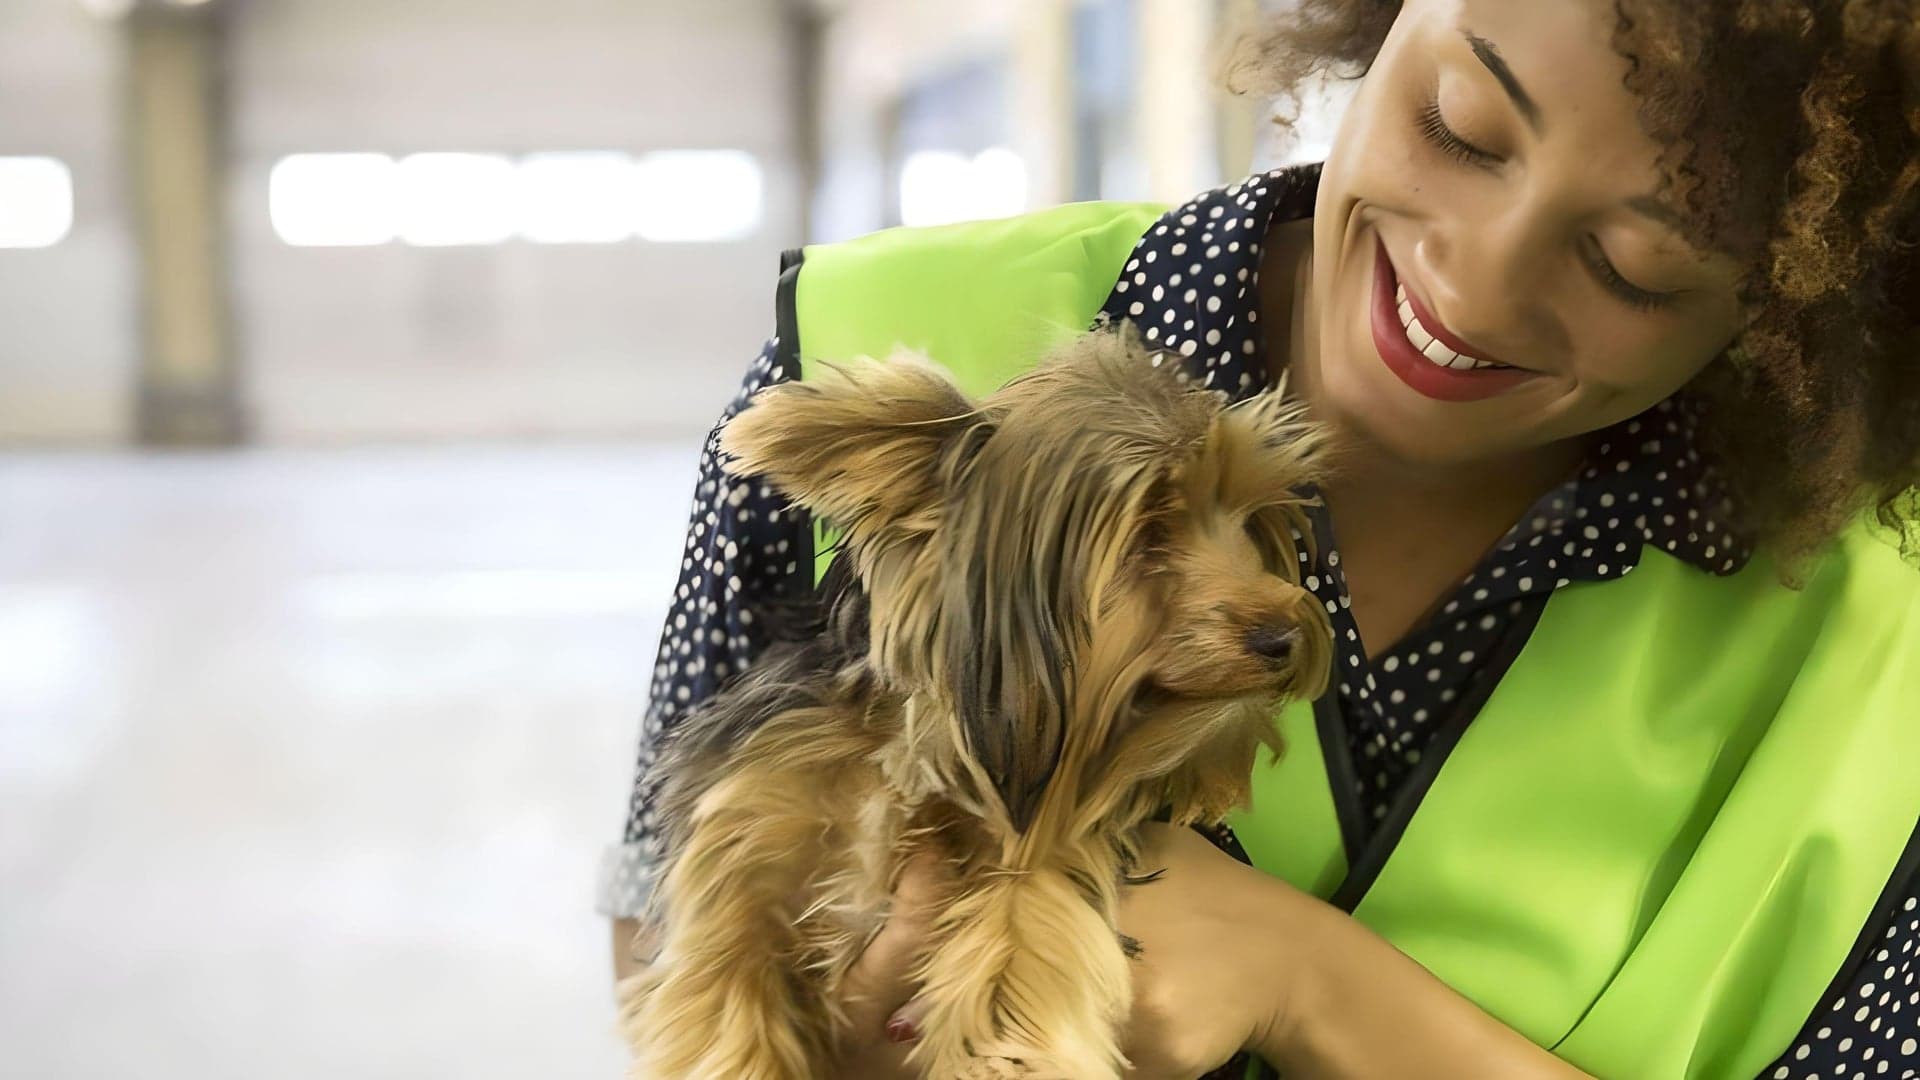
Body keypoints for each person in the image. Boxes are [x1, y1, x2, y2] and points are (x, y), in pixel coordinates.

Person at [601, 0, 1920, 1076]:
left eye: (1633, 264)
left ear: (1798, 298)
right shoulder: (873, 337)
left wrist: (1315, 988)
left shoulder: (1876, 649)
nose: (1472, 282)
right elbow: (672, 937)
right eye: (1459, 126)